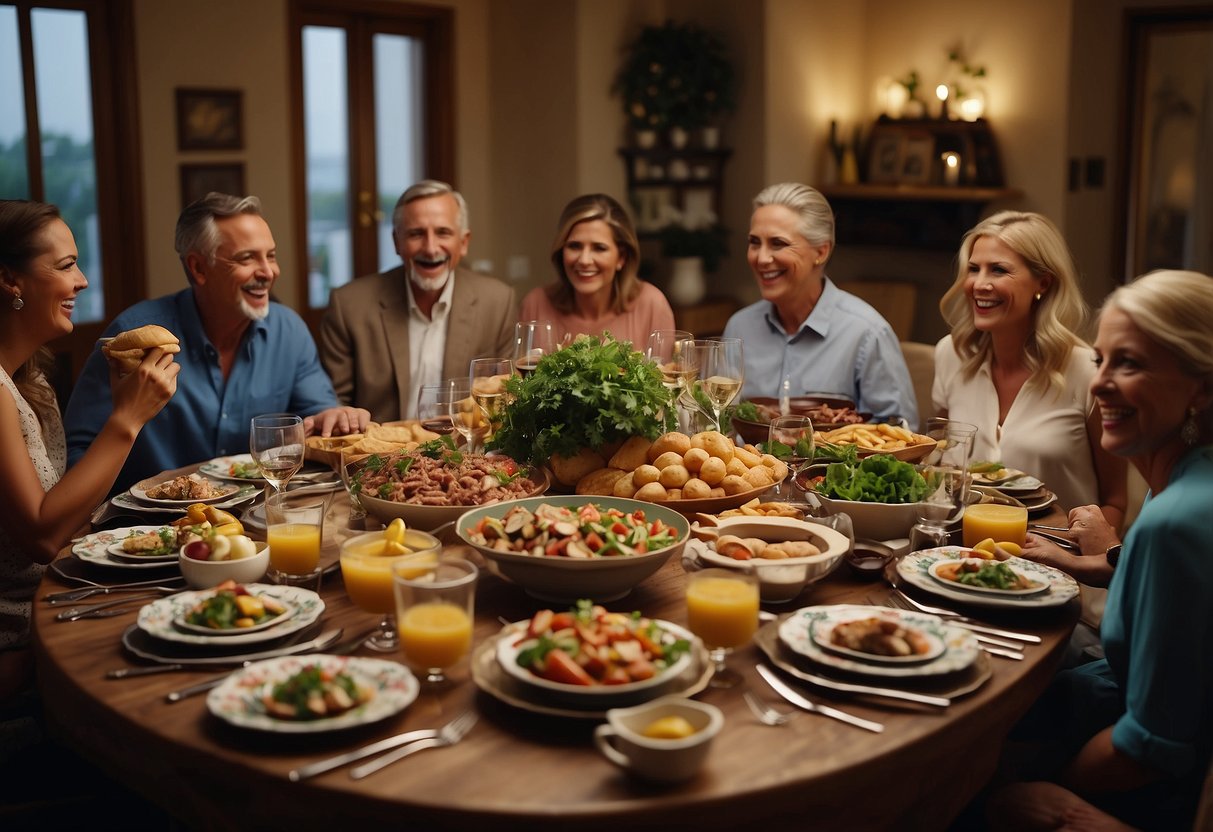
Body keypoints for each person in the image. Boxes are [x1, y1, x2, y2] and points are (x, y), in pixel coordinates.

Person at [994, 270, 1213, 831]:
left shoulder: (1176, 520)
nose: (1098, 384)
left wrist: (1038, 790)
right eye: (1101, 360)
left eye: (1131, 364)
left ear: (1202, 388)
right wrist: (1101, 559)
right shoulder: (1189, 489)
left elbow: (1152, 747)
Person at [64, 193, 367, 494]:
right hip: (152, 527)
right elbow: (79, 452)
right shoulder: (133, 336)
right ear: (198, 268)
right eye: (247, 258)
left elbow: (317, 416)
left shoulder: (289, 331)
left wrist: (333, 416)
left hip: (253, 522)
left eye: (271, 256)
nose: (268, 272)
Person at [0, 200, 177, 701]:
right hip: (20, 638)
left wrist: (125, 413)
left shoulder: (30, 380)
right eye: (65, 266)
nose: (81, 281)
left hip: (59, 600)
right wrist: (126, 421)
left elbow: (68, 519)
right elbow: (41, 534)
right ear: (9, 280)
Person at [934, 210, 1126, 525]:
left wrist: (1080, 550)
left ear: (1044, 283)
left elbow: (1116, 502)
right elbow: (939, 469)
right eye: (973, 269)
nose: (979, 284)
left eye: (998, 270)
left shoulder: (1089, 372)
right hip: (959, 551)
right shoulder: (950, 355)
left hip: (1055, 559)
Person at [319, 180, 516, 421]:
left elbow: (506, 398)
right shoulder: (348, 306)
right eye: (416, 234)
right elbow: (331, 403)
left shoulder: (497, 302)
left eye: (443, 232)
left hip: (466, 451)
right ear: (396, 242)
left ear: (463, 243)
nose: (431, 248)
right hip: (378, 453)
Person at [722, 183, 916, 423]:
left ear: (821, 252)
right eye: (754, 242)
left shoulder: (866, 333)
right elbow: (720, 423)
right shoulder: (739, 328)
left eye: (778, 243)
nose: (761, 258)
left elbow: (900, 431)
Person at [519, 193, 674, 349]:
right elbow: (519, 372)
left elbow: (668, 372)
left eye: (599, 248)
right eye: (574, 246)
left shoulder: (652, 305)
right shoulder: (535, 304)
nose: (584, 260)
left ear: (621, 257)